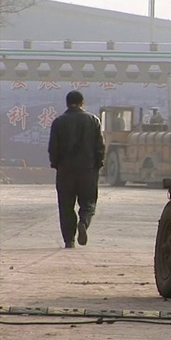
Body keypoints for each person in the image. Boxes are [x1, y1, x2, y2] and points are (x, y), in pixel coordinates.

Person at [48, 91, 105, 248]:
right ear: (82, 102)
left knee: (66, 205)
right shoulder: (93, 120)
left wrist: (56, 164)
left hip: (65, 171)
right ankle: (84, 223)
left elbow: (53, 147)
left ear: (67, 103)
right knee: (88, 202)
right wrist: (98, 164)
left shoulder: (58, 122)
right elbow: (100, 146)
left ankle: (69, 240)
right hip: (87, 170)